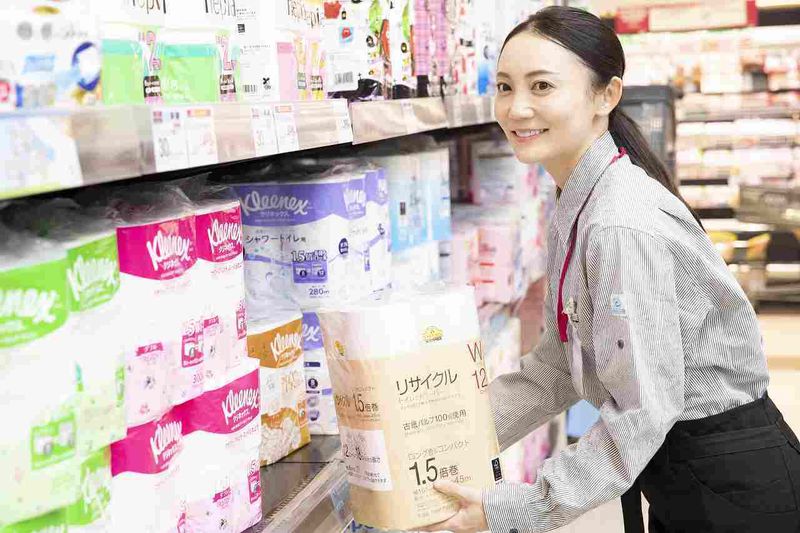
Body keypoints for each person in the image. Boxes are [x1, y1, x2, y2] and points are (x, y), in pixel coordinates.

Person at [420, 6, 800, 533]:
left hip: (732, 483)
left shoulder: (619, 221)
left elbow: (642, 411)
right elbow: (559, 366)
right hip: (686, 470)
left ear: (607, 95)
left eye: (542, 86)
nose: (517, 108)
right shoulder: (580, 202)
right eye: (505, 87)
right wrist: (441, 439)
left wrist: (511, 510)